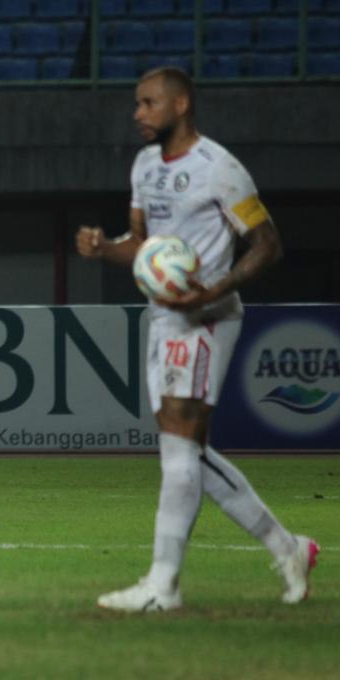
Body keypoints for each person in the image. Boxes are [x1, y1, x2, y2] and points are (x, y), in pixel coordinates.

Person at [76, 67, 318, 612]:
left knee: (180, 450)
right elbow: (140, 244)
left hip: (207, 318)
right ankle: (289, 548)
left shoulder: (219, 169)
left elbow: (267, 244)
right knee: (185, 451)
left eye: (148, 103)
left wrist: (213, 288)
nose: (137, 113)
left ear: (181, 105)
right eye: (136, 103)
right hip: (163, 317)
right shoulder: (144, 165)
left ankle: (164, 584)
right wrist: (102, 247)